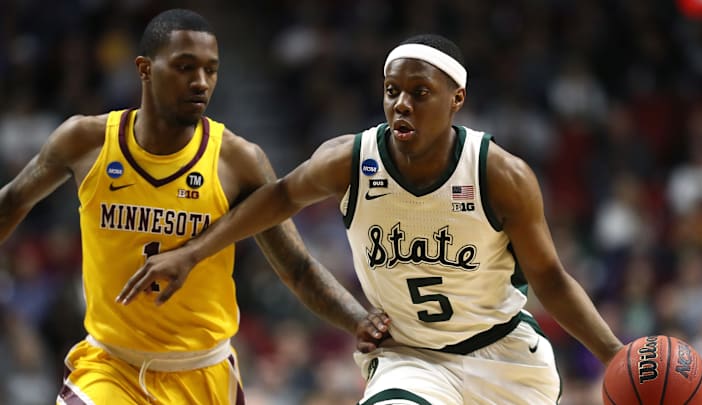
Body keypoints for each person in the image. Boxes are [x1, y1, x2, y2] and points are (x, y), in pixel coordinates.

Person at [118, 33, 625, 404]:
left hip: (503, 356)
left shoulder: (500, 174)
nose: (400, 104)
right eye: (391, 90)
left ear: (457, 100)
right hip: (411, 358)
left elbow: (552, 279)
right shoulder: (350, 159)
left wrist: (614, 356)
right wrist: (193, 252)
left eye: (419, 93)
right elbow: (276, 199)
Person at [0, 9, 388, 405]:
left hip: (203, 374)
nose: (200, 82)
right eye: (185, 67)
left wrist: (360, 320)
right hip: (109, 366)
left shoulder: (238, 161)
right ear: (145, 69)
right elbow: (12, 200)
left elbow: (298, 268)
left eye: (211, 70)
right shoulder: (86, 140)